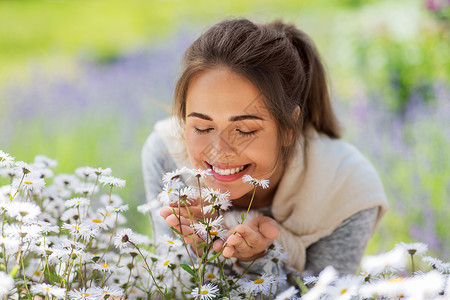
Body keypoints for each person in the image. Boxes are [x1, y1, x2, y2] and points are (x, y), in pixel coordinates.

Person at [142, 18, 388, 277]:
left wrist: (261, 259)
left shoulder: (346, 189)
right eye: (202, 128)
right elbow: (170, 283)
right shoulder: (167, 155)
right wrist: (204, 248)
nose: (219, 149)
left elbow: (326, 294)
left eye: (244, 130)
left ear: (289, 128)